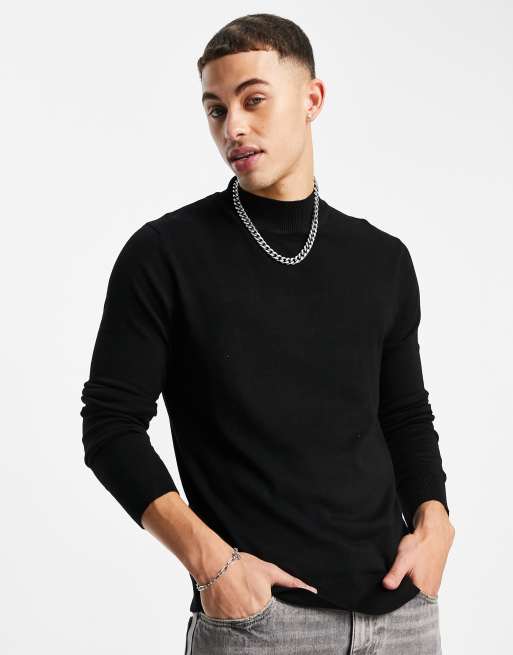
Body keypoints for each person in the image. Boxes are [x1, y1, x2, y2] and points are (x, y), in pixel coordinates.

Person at [80, 12, 455, 654]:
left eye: (253, 100)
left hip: (402, 616)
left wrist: (435, 521)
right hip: (262, 621)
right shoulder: (165, 255)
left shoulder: (381, 259)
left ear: (312, 99)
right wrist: (213, 566)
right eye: (215, 110)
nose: (233, 127)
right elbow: (110, 428)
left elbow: (404, 415)